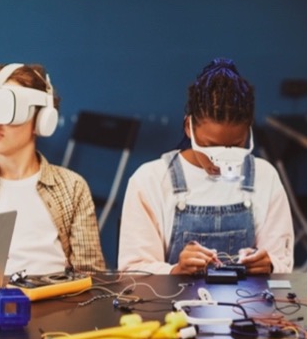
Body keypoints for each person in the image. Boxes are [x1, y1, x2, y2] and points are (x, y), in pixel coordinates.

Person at [118, 58, 294, 275]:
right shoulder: (150, 180)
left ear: (247, 133)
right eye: (211, 148)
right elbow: (133, 273)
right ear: (188, 128)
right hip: (172, 308)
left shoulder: (264, 177)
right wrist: (175, 271)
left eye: (235, 146)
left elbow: (282, 265)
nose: (220, 163)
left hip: (248, 306)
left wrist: (269, 265)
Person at [0, 63, 105, 276]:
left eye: (7, 110)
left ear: (41, 119)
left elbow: (91, 276)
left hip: (62, 303)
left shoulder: (72, 188)